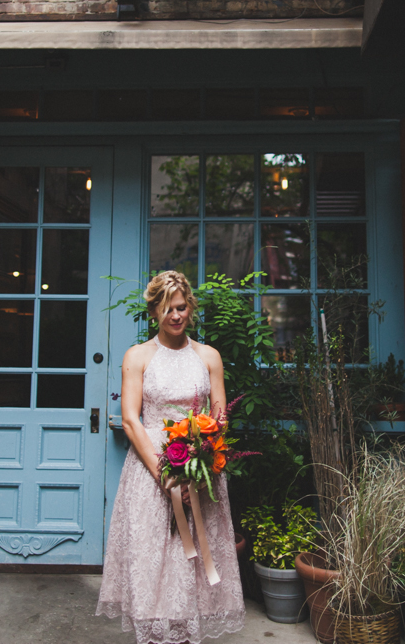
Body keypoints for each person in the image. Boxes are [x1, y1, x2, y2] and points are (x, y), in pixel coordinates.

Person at [96, 271, 245, 644]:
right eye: (167, 309)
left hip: (199, 470)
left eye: (181, 308)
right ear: (153, 312)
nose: (175, 316)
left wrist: (203, 456)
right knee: (153, 559)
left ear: (190, 307)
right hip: (151, 471)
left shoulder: (208, 357)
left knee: (189, 559)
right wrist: (165, 473)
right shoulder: (138, 356)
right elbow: (131, 420)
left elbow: (220, 415)